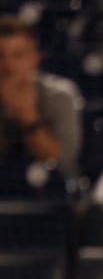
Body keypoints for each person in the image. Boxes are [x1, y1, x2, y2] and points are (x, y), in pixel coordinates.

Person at [0, 14, 82, 197]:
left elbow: (63, 162)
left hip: (52, 200)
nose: (8, 66)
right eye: (0, 57)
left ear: (34, 59)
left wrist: (28, 116)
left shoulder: (61, 95)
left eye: (18, 55)